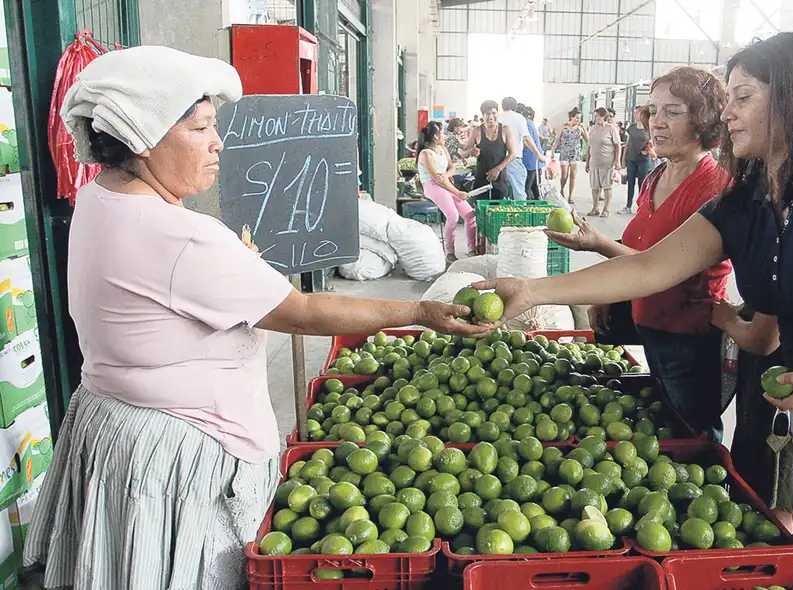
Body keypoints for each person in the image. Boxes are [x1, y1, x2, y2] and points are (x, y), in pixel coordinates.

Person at [480, 32, 793, 590]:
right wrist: (533, 292)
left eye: (743, 97)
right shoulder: (748, 199)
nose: (728, 112)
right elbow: (649, 268)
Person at [22, 46, 484, 590]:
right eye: (199, 130)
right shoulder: (182, 236)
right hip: (178, 451)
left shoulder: (102, 197)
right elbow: (304, 309)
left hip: (117, 424)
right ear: (143, 139)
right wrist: (421, 311)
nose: (218, 143)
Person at [547, 67, 732, 441]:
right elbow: (640, 253)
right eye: (653, 110)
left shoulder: (715, 186)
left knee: (693, 435)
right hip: (650, 327)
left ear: (704, 120)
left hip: (689, 339)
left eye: (673, 112)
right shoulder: (655, 177)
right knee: (659, 424)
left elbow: (660, 267)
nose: (656, 122)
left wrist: (598, 243)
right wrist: (611, 298)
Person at [711, 299, 793, 531]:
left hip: (781, 393)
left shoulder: (792, 269)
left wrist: (729, 321)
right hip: (766, 387)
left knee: (778, 489)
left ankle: (777, 549)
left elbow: (765, 339)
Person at [417, 121, 477, 264]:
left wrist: (446, 175)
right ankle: (450, 252)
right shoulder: (425, 154)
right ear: (436, 136)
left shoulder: (442, 148)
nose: (445, 136)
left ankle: (472, 250)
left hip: (445, 183)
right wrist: (457, 192)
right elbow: (436, 180)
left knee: (470, 215)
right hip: (432, 186)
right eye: (443, 133)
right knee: (453, 215)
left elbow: (452, 167)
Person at [463, 100, 518, 201]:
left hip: (500, 179)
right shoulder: (476, 131)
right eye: (488, 114)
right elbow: (464, 153)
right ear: (483, 115)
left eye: (494, 113)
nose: (491, 117)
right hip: (481, 179)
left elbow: (512, 154)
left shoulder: (505, 130)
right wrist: (471, 151)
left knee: (499, 210)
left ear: (497, 113)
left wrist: (498, 169)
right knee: (481, 210)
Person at [500, 97, 546, 200]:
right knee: (519, 191)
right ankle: (520, 214)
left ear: (502, 106)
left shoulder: (498, 117)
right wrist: (539, 155)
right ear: (515, 107)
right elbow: (526, 138)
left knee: (502, 191)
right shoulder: (519, 118)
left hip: (498, 160)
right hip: (514, 159)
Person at [585, 107, 622, 217]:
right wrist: (587, 161)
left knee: (607, 187)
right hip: (594, 162)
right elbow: (589, 146)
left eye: (597, 116)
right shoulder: (592, 129)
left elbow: (618, 145)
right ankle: (595, 208)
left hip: (607, 163)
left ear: (603, 116)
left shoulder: (611, 129)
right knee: (595, 187)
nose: (596, 118)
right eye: (595, 116)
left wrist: (617, 160)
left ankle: (606, 209)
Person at [620, 105, 654, 215]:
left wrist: (648, 150)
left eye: (637, 113)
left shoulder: (648, 128)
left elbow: (653, 143)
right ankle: (628, 206)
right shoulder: (632, 128)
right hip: (631, 159)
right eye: (634, 113)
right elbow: (627, 144)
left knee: (642, 184)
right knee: (630, 183)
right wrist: (623, 159)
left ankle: (641, 207)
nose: (635, 115)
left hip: (643, 160)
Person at [552, 108, 588, 204]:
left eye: (580, 118)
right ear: (571, 117)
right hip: (565, 153)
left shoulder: (580, 128)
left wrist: (584, 129)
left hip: (575, 154)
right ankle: (562, 189)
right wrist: (552, 151)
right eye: (576, 118)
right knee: (564, 175)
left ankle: (571, 195)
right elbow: (557, 140)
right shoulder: (563, 128)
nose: (578, 120)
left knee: (573, 176)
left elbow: (587, 140)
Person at [520, 105, 544, 200]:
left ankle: (530, 208)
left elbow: (527, 141)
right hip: (534, 161)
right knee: (535, 187)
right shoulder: (529, 122)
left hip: (529, 161)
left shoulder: (525, 123)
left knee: (527, 188)